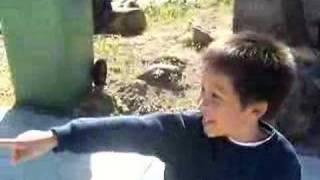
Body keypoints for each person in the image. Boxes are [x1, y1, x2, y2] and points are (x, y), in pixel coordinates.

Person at [0, 32, 301, 180]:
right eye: (203, 91)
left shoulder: (281, 164)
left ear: (256, 110)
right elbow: (126, 131)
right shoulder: (185, 133)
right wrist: (55, 138)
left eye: (215, 97)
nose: (200, 103)